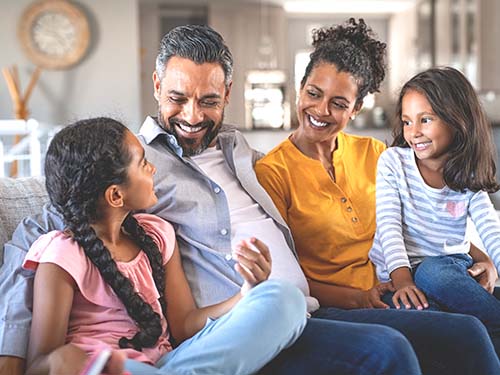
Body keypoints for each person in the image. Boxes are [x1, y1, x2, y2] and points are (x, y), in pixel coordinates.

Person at [0, 23, 494, 375]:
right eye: (177, 97)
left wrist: (471, 251)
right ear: (156, 86)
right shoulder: (129, 164)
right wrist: (12, 355)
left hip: (306, 306)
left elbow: (405, 201)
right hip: (240, 322)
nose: (192, 115)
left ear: (228, 94)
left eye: (209, 100)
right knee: (387, 351)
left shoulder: (241, 150)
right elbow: (41, 227)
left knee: (463, 334)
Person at [255, 18, 500, 374]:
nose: (321, 110)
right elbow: (287, 280)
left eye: (339, 103)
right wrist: (359, 296)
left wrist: (484, 259)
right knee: (467, 331)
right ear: (300, 89)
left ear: (356, 108)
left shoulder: (375, 153)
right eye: (313, 93)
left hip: (405, 284)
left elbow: (432, 215)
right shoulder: (273, 173)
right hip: (344, 304)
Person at [23, 117, 306, 374]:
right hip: (107, 369)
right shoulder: (62, 254)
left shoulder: (157, 235)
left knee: (284, 298)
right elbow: (38, 363)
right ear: (115, 196)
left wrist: (246, 294)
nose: (153, 169)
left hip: (169, 364)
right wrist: (61, 360)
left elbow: (184, 326)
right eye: (143, 163)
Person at [368, 66, 500, 348]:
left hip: (445, 270)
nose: (413, 132)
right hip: (400, 277)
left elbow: (491, 230)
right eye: (406, 122)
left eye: (425, 120)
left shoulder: (468, 175)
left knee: (432, 272)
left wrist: (493, 264)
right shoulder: (393, 163)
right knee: (435, 320)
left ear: (457, 120)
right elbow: (388, 225)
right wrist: (402, 279)